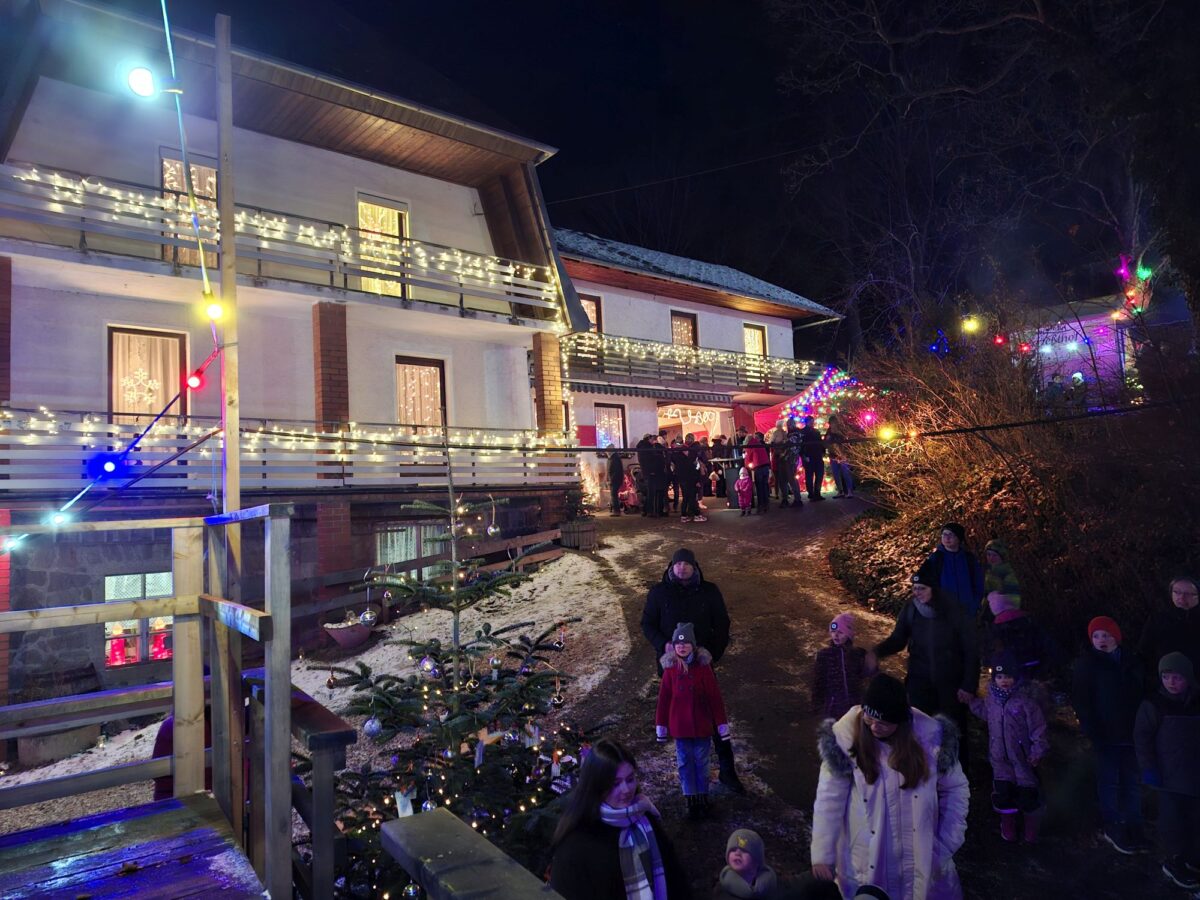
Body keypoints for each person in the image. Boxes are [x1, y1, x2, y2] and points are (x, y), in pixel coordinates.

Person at [811, 674, 970, 900]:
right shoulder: (846, 739)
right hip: (866, 860)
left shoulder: (931, 739)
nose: (874, 727)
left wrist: (944, 845)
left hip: (923, 859)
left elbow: (956, 790)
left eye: (884, 723)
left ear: (900, 721)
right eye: (869, 718)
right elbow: (829, 799)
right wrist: (822, 853)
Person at [641, 548, 744, 794]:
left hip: (701, 665)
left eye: (687, 564)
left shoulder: (709, 591)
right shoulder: (659, 593)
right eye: (678, 564)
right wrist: (664, 645)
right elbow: (648, 623)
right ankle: (689, 771)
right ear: (671, 567)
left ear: (694, 567)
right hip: (672, 667)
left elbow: (722, 624)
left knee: (711, 711)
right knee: (680, 712)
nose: (682, 568)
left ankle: (727, 770)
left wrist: (711, 653)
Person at [549, 738, 688, 900]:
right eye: (615, 784)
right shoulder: (576, 842)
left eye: (630, 779)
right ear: (596, 786)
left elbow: (674, 876)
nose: (626, 790)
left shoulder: (643, 815)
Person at [868, 568, 978, 765]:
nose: (917, 592)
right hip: (919, 681)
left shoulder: (954, 610)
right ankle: (922, 770)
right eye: (914, 588)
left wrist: (969, 685)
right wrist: (877, 652)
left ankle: (957, 773)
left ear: (934, 588)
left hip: (951, 684)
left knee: (953, 731)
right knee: (918, 728)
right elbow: (898, 639)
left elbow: (971, 649)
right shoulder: (911, 609)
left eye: (922, 588)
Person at [1070, 615, 1148, 855]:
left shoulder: (1131, 661)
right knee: (1109, 780)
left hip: (1131, 732)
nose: (1101, 640)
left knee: (1132, 780)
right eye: (1096, 636)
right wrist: (1092, 729)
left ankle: (1135, 825)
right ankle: (1113, 824)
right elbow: (1082, 701)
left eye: (1106, 635)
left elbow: (1142, 692)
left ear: (1116, 636)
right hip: (1105, 733)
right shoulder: (1087, 665)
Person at [1134, 652, 1200, 890]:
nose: (1171, 682)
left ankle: (1193, 856)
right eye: (1166, 677)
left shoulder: (1196, 702)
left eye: (1177, 677)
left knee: (1195, 818)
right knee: (1173, 821)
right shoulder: (1154, 705)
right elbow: (1142, 738)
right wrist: (1149, 768)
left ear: (1188, 678)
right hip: (1169, 776)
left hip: (1194, 774)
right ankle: (1174, 860)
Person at [968, 652, 1048, 843]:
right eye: (1000, 677)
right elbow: (987, 714)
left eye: (1009, 676)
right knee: (1004, 792)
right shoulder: (992, 699)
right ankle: (1008, 823)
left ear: (1016, 677)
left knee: (1028, 792)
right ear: (994, 678)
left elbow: (1038, 728)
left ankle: (1031, 826)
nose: (1004, 681)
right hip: (999, 757)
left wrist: (1038, 750)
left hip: (1022, 757)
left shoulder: (1025, 701)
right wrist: (972, 702)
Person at [656, 623, 730, 820]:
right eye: (678, 644)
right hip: (680, 727)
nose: (682, 647)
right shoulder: (670, 670)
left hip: (701, 725)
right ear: (674, 646)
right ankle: (690, 797)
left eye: (686, 643)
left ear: (693, 646)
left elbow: (714, 697)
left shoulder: (703, 668)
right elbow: (664, 700)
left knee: (702, 762)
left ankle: (702, 796)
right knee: (685, 762)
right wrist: (661, 725)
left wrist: (721, 723)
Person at [980, 593, 1060, 682]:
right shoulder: (1030, 621)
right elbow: (1047, 643)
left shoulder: (996, 629)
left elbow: (991, 650)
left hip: (1012, 668)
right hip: (1036, 663)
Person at [1137, 576, 1200, 680]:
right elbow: (1144, 651)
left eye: (1188, 593)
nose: (1181, 597)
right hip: (1164, 682)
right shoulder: (1158, 619)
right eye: (1177, 592)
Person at [923, 523, 984, 622]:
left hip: (967, 610)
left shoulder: (968, 558)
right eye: (944, 534)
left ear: (959, 538)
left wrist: (975, 604)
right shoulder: (936, 558)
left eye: (951, 534)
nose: (947, 538)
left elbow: (979, 582)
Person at [811, 613, 867, 720]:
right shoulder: (824, 655)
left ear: (849, 635)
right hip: (832, 708)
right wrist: (817, 704)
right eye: (833, 631)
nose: (835, 635)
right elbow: (819, 681)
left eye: (840, 632)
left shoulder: (858, 654)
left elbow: (865, 678)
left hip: (854, 707)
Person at [713, 829, 789, 899]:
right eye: (733, 850)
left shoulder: (776, 887)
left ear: (756, 858)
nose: (737, 853)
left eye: (744, 850)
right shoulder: (721, 891)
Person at [982, 539, 1021, 609]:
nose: (991, 558)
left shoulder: (1008, 575)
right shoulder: (988, 572)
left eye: (995, 555)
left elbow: (1014, 600)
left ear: (1002, 556)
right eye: (988, 554)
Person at [824, 414, 854, 499]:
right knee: (836, 474)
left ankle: (849, 491)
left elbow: (846, 440)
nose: (832, 424)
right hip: (833, 455)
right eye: (831, 423)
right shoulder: (829, 432)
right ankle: (840, 491)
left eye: (834, 422)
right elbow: (826, 442)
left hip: (842, 454)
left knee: (845, 473)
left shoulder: (841, 430)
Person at [799, 417, 826, 501]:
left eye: (812, 422)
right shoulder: (803, 432)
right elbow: (801, 445)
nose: (812, 423)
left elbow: (820, 442)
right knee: (809, 475)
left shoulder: (816, 431)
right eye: (811, 422)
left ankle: (817, 493)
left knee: (819, 474)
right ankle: (811, 493)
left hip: (817, 455)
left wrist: (822, 451)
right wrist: (803, 455)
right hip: (809, 455)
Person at [743, 432, 771, 513]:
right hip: (766, 466)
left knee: (759, 487)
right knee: (764, 486)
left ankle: (760, 506)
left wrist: (746, 467)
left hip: (758, 467)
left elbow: (747, 459)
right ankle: (766, 504)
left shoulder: (750, 446)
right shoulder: (759, 443)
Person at [606, 445, 625, 516]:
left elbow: (615, 471)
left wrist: (611, 480)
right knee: (614, 495)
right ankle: (616, 510)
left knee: (614, 495)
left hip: (615, 480)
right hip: (615, 479)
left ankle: (616, 511)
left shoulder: (614, 458)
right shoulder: (613, 458)